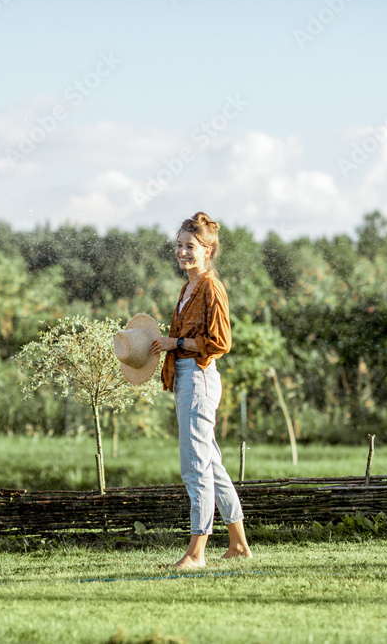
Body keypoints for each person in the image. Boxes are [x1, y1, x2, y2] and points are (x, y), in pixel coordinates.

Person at [149, 212, 252, 568]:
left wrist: (173, 341)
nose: (182, 252)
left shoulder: (210, 287)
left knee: (194, 466)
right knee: (211, 463)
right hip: (186, 377)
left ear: (208, 250)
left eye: (189, 246)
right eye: (178, 246)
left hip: (200, 377)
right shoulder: (188, 287)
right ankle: (238, 544)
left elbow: (220, 341)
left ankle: (196, 554)